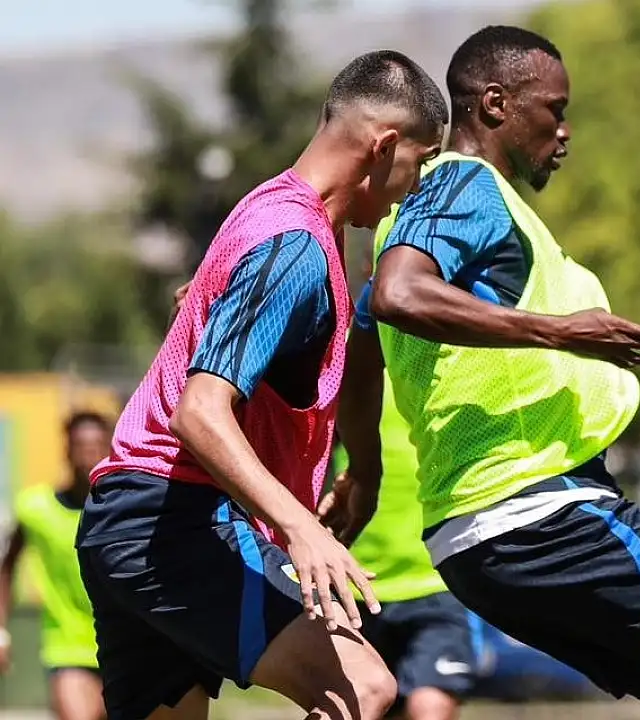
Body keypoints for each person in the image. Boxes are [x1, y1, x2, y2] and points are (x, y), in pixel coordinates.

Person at [327, 25, 640, 720]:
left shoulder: (426, 212)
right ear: (495, 104)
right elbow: (396, 296)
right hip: (536, 510)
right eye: (554, 110)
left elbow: (362, 347)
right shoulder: (463, 185)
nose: (564, 132)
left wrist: (366, 474)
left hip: (482, 535)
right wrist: (562, 330)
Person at [75, 50, 448, 720]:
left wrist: (356, 473)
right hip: (180, 515)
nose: (413, 188)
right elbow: (199, 411)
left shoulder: (268, 212)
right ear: (384, 146)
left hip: (127, 521)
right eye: (420, 164)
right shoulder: (294, 244)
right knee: (363, 688)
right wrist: (301, 528)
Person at [325, 381, 486, 720]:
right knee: (360, 704)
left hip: (436, 581)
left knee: (429, 706)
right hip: (355, 583)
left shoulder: (446, 376)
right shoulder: (345, 374)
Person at [0, 412, 112, 720]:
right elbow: (7, 567)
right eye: (80, 446)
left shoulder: (124, 511)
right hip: (67, 646)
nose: (88, 455)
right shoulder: (36, 509)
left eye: (96, 446)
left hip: (123, 644)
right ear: (66, 450)